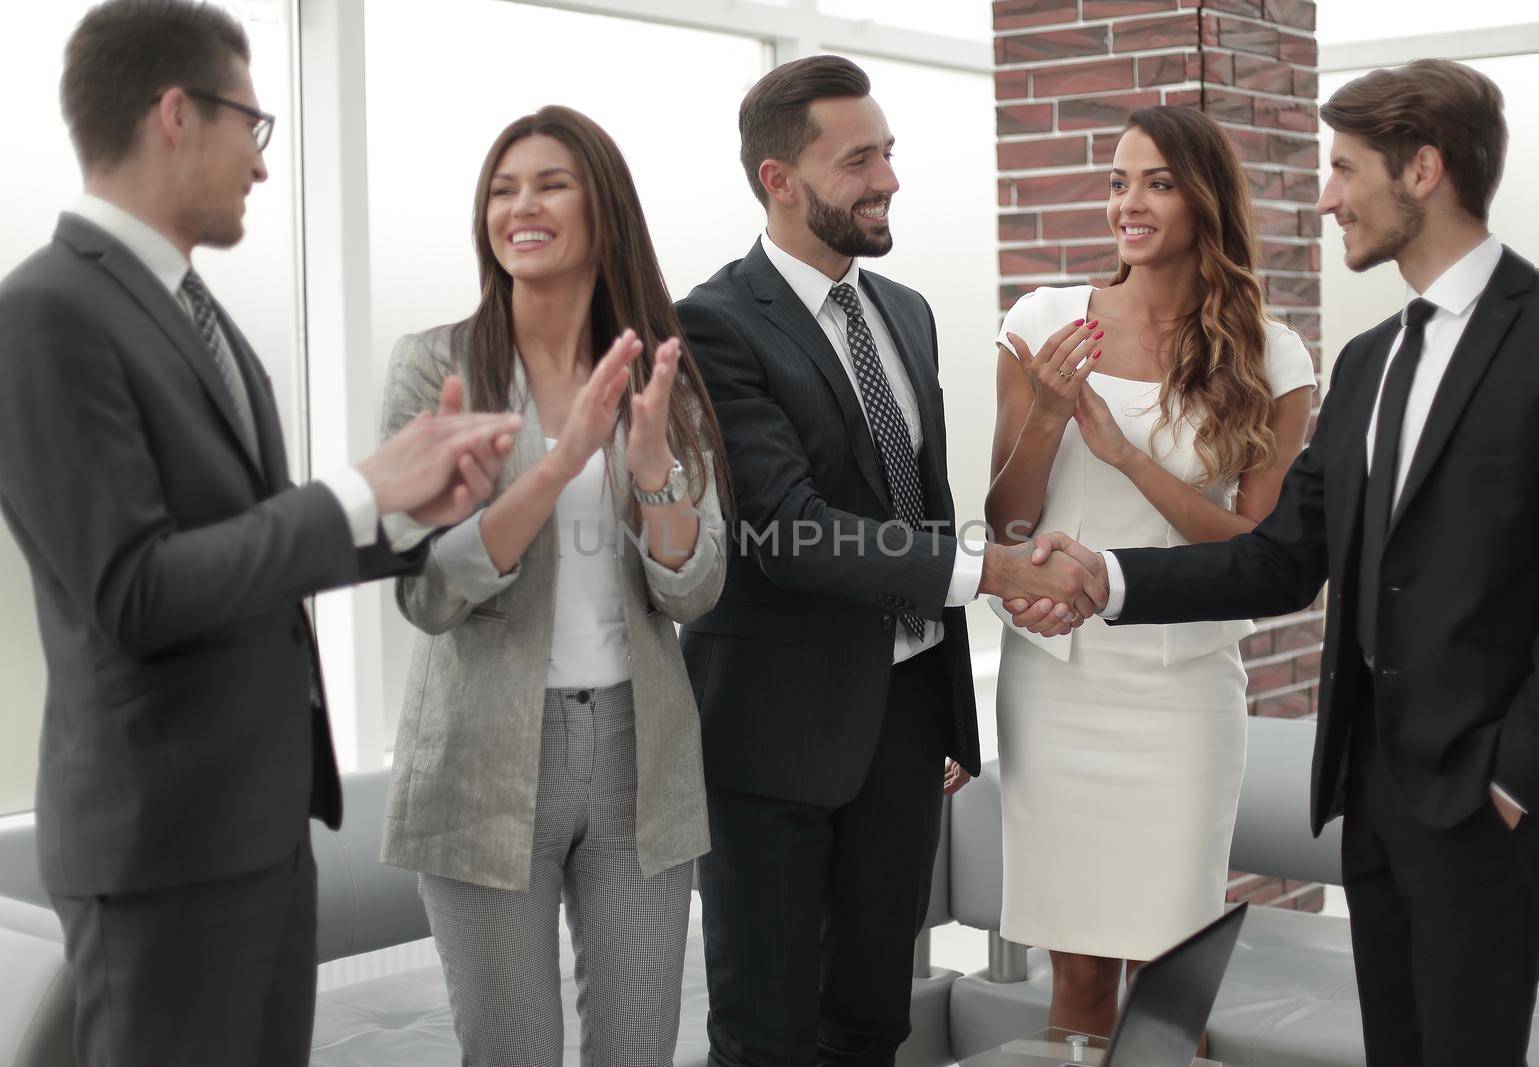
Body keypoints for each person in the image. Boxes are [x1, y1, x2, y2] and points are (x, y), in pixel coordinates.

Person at [1016, 59, 1539, 1067]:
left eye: (1341, 168)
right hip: (1370, 799)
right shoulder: (1372, 358)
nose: (1323, 196)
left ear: (1422, 169)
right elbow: (1281, 560)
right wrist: (1105, 577)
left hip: (1481, 801)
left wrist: (1517, 779)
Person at [0, 3, 523, 1065]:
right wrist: (358, 487)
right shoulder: (45, 311)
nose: (264, 165)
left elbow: (249, 542)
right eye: (255, 124)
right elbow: (133, 592)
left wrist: (411, 511)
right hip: (162, 851)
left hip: (259, 829)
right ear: (175, 113)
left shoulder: (192, 309)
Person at [676, 54, 1103, 1067]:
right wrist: (994, 571)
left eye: (890, 152)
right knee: (768, 1035)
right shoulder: (713, 324)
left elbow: (920, 499)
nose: (889, 179)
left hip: (902, 725)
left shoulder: (904, 312)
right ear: (779, 180)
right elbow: (788, 526)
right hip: (773, 739)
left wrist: (944, 712)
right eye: (858, 159)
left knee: (875, 1018)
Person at [377, 107, 730, 1066]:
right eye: (502, 188)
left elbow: (695, 590)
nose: (520, 205)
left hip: (638, 758)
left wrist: (650, 464)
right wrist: (557, 462)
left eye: (549, 183)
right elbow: (425, 592)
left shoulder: (660, 374)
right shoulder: (436, 367)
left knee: (638, 1052)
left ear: (602, 208)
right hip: (480, 756)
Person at [985, 104, 1314, 1043]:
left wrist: (1127, 457)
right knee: (1078, 977)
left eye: (1157, 182)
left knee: (1173, 981)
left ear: (1205, 200)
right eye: (1118, 180)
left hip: (1184, 692)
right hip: (1056, 683)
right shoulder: (1045, 322)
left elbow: (1258, 553)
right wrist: (1047, 412)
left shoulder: (1272, 355)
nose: (1128, 203)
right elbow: (1006, 517)